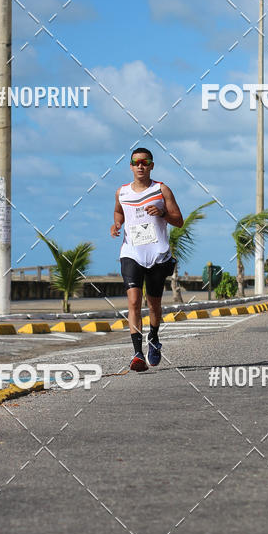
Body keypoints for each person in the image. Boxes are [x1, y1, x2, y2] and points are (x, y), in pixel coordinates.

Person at [110, 148, 183, 372]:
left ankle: (153, 337)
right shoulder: (121, 192)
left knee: (154, 305)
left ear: (151, 165)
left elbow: (179, 220)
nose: (140, 166)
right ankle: (137, 353)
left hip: (157, 255)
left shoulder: (161, 190)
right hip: (131, 252)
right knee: (133, 301)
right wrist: (116, 225)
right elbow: (118, 212)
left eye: (145, 162)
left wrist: (161, 214)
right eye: (136, 162)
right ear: (131, 166)